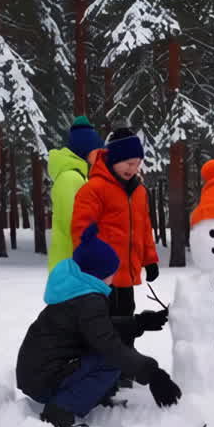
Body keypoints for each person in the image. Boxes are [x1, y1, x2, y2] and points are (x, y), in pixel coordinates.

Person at [16, 224, 181, 427]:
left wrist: (138, 322)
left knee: (104, 353)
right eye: (111, 272)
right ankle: (60, 410)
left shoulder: (76, 290)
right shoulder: (88, 300)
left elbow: (94, 329)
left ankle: (90, 397)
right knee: (110, 361)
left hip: (38, 372)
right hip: (44, 378)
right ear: (98, 274)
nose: (113, 279)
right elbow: (109, 346)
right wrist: (152, 373)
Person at [70, 127, 159, 335]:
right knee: (103, 326)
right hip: (102, 277)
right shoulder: (94, 189)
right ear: (114, 159)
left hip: (127, 275)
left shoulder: (138, 191)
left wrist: (150, 260)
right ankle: (102, 365)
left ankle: (125, 360)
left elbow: (144, 227)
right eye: (128, 163)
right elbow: (81, 230)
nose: (133, 168)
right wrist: (91, 264)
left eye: (137, 164)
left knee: (127, 320)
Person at [47, 117, 106, 271]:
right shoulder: (69, 178)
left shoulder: (80, 177)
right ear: (85, 150)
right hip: (69, 264)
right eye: (96, 151)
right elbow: (72, 222)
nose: (99, 155)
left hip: (76, 261)